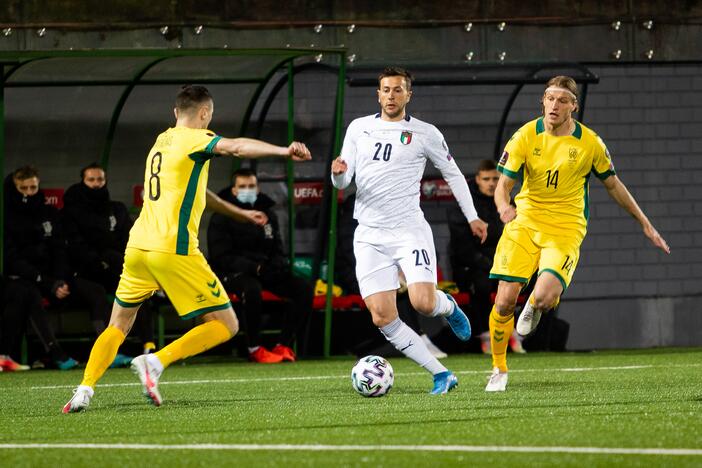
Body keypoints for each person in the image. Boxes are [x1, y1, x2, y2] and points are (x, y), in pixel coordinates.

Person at [63, 84, 310, 413]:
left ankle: (84, 389)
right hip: (172, 248)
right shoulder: (197, 138)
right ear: (206, 113)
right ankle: (156, 362)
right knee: (227, 325)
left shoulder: (161, 142)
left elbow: (200, 193)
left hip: (138, 247)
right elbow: (235, 147)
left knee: (118, 325)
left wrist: (240, 213)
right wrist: (283, 151)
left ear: (175, 112)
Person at [485, 75, 670, 392]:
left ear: (574, 105)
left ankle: (536, 304)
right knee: (504, 301)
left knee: (543, 296)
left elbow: (613, 184)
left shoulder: (590, 143)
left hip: (566, 227)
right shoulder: (525, 136)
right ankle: (499, 369)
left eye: (561, 100)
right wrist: (504, 209)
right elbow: (503, 186)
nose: (554, 105)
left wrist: (645, 222)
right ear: (542, 100)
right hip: (525, 222)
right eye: (549, 98)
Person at [331, 67, 487, 394]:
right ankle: (441, 374)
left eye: (398, 90)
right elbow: (344, 182)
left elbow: (454, 174)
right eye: (386, 90)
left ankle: (447, 306)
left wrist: (472, 216)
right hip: (369, 235)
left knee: (422, 303)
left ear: (408, 94)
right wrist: (337, 175)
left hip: (408, 231)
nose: (391, 95)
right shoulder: (359, 128)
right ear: (378, 94)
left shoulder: (425, 133)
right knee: (381, 316)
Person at [4, 166, 117, 369]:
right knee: (27, 293)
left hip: (53, 279)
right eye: (24, 189)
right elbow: (12, 259)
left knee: (95, 291)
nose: (30, 192)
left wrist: (61, 280)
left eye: (33, 187)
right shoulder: (8, 216)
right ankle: (56, 354)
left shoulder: (48, 213)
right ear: (15, 188)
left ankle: (108, 351)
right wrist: (47, 281)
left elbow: (59, 250)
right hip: (27, 279)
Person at [207, 168, 314, 363]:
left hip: (265, 271)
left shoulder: (268, 214)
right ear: (233, 190)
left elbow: (277, 247)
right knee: (252, 289)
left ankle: (283, 345)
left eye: (251, 186)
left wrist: (275, 266)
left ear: (258, 189)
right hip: (233, 273)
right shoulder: (221, 216)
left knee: (303, 288)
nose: (247, 190)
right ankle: (254, 348)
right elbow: (220, 256)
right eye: (242, 186)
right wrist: (253, 267)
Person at [62, 162, 156, 354]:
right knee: (97, 294)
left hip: (113, 268)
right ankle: (108, 351)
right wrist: (99, 261)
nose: (96, 184)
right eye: (91, 180)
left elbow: (129, 238)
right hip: (84, 272)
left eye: (100, 179)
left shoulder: (117, 209)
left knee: (139, 290)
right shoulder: (73, 211)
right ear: (83, 181)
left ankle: (149, 346)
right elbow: (75, 245)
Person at [447, 159, 524, 354]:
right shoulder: (464, 205)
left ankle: (513, 332)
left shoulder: (506, 202)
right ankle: (486, 335)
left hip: (501, 262)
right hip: (472, 266)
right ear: (478, 180)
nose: (491, 183)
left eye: (495, 179)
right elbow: (463, 249)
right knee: (481, 284)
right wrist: (491, 265)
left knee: (526, 281)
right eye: (486, 179)